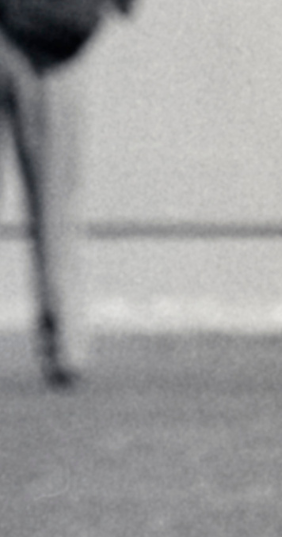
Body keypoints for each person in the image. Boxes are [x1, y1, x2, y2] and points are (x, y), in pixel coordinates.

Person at [0, 0, 133, 389]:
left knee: (57, 195)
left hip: (48, 37)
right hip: (51, 39)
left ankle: (65, 343)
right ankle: (65, 345)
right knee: (57, 198)